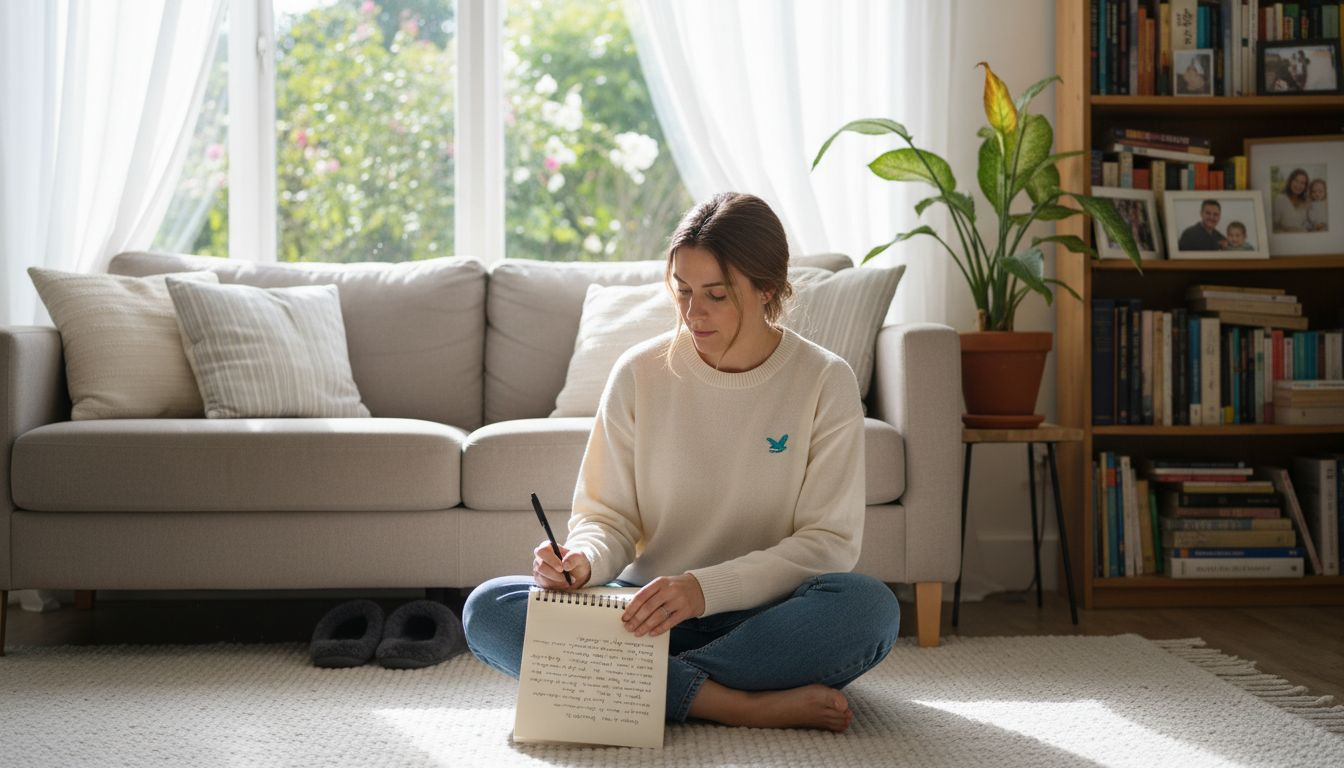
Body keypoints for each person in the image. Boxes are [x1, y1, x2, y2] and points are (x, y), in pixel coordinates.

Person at [463, 192, 899, 733]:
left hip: (763, 616)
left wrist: (703, 590)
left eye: (715, 295)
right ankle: (732, 703)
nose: (694, 313)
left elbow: (828, 543)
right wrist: (582, 560)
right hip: (641, 612)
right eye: (683, 291)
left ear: (767, 288)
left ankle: (630, 687)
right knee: (489, 607)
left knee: (868, 608)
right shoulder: (638, 372)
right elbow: (608, 517)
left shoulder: (823, 380)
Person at [1272, 168, 1312, 233]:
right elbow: (1274, 226)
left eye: (1302, 183)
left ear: (1305, 186)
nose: (1298, 185)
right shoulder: (1280, 199)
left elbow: (1309, 223)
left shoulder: (1306, 201)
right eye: (1296, 180)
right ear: (1290, 181)